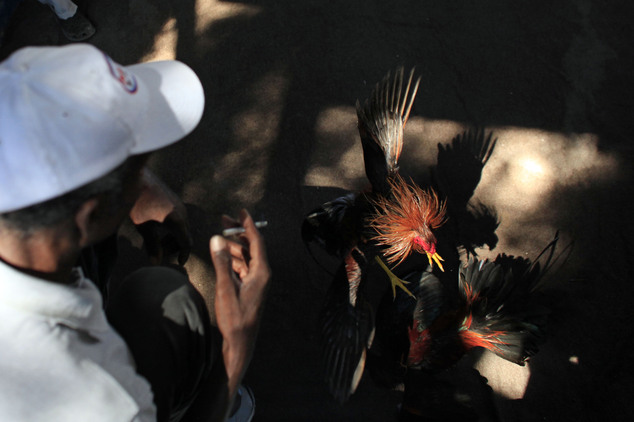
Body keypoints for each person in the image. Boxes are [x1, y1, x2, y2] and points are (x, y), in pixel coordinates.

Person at [0, 43, 270, 422]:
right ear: (90, 214)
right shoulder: (99, 400)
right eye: (136, 169)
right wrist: (235, 351)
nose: (143, 181)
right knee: (164, 296)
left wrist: (132, 183)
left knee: (155, 290)